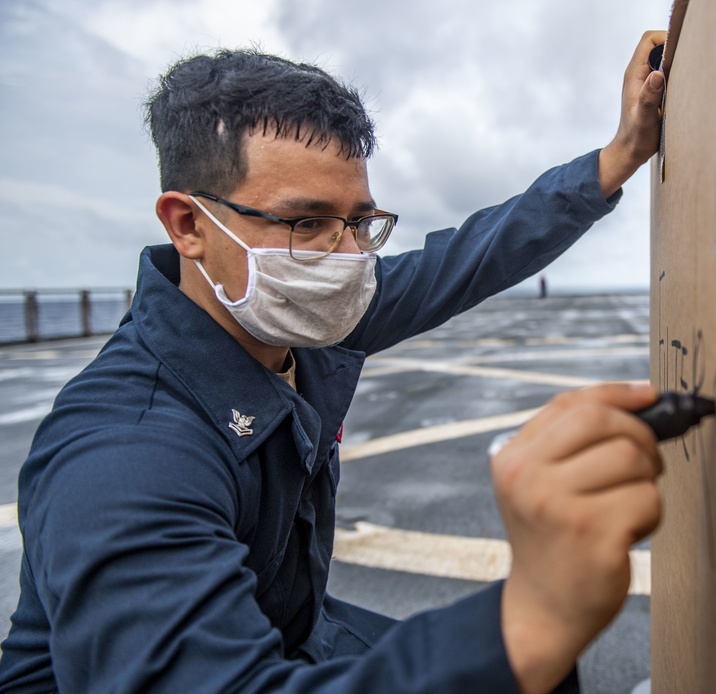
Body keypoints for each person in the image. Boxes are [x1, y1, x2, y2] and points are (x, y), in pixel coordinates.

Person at [0, 30, 667, 693]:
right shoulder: (123, 455)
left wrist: (621, 154)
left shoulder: (305, 317)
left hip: (289, 626)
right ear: (188, 226)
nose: (348, 259)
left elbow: (468, 257)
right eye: (306, 223)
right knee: (511, 654)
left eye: (360, 222)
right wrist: (534, 617)